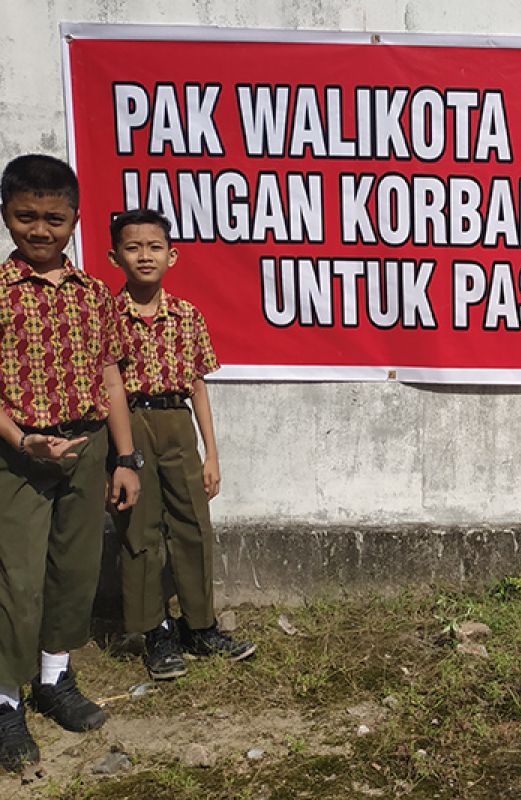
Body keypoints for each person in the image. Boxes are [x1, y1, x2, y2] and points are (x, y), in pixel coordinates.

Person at [0, 154, 141, 770]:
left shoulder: (93, 297)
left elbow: (110, 377)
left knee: (75, 569)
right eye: (25, 216)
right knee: (17, 580)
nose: (40, 230)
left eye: (53, 218)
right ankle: (5, 700)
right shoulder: (1, 292)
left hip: (86, 451)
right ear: (6, 215)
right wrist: (21, 440)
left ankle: (54, 678)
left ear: (75, 219)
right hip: (19, 454)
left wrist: (126, 456)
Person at [107, 208, 255, 681]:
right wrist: (120, 456)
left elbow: (197, 387)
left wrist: (212, 453)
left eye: (154, 247)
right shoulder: (106, 317)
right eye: (133, 247)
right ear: (115, 257)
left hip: (176, 422)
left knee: (193, 523)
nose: (144, 256)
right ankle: (155, 633)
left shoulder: (187, 315)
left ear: (172, 256)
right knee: (140, 532)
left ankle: (201, 625)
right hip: (131, 425)